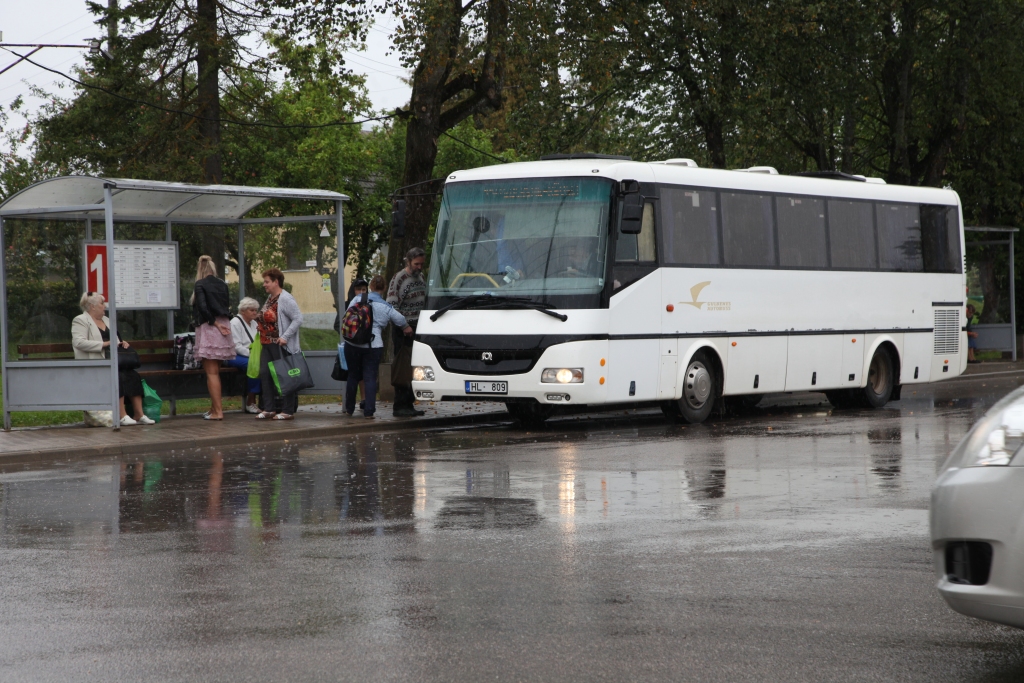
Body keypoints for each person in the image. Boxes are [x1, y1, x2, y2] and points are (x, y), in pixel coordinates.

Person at [72, 291, 155, 426]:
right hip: (95, 363)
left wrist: (123, 343)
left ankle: (139, 414)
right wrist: (104, 344)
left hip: (114, 360)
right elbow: (79, 343)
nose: (104, 306)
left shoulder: (107, 320)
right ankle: (121, 415)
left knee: (133, 375)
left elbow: (116, 340)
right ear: (92, 306)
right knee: (117, 375)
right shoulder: (80, 320)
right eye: (102, 303)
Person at [344, 275, 413, 418]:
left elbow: (348, 315)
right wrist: (406, 328)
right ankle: (369, 412)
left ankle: (349, 409)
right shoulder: (386, 306)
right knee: (369, 377)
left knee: (352, 375)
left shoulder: (358, 299)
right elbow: (400, 320)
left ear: (371, 287)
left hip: (353, 343)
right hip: (373, 345)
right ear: (384, 288)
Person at [256, 267, 303, 420]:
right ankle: (269, 408)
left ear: (276, 282)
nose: (264, 284)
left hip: (280, 344)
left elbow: (298, 319)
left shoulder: (285, 298)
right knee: (265, 374)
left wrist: (285, 336)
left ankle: (287, 410)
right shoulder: (270, 299)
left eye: (267, 282)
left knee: (284, 376)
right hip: (266, 343)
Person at [191, 255, 235, 421]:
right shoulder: (222, 284)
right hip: (225, 327)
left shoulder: (200, 284)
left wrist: (214, 323)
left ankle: (218, 411)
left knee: (211, 373)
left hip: (210, 327)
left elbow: (202, 307)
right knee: (216, 371)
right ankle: (213, 409)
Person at [387, 247, 427, 417]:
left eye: (421, 264)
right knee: (403, 367)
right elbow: (392, 305)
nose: (419, 267)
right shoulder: (399, 278)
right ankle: (400, 404)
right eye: (416, 264)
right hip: (404, 330)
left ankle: (409, 403)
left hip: (418, 327)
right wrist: (404, 325)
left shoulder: (421, 277)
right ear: (408, 262)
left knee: (414, 368)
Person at [223, 297, 262, 413]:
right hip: (233, 356)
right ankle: (251, 401)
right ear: (243, 311)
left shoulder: (254, 323)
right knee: (253, 364)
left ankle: (265, 400)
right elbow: (236, 346)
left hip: (252, 355)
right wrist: (253, 355)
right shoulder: (235, 323)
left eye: (256, 310)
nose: (255, 313)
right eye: (252, 310)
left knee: (265, 364)